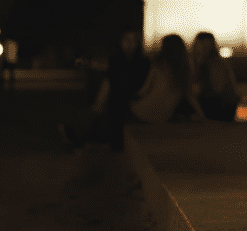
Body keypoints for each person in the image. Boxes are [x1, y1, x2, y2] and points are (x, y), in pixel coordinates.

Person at [60, 33, 203, 151]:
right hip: (161, 117)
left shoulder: (158, 65)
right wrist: (203, 117)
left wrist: (129, 97)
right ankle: (84, 137)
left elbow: (144, 91)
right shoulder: (186, 69)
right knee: (114, 117)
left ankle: (76, 135)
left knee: (113, 114)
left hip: (142, 112)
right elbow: (190, 96)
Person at [191, 32, 240, 121]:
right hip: (215, 102)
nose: (203, 48)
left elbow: (217, 89)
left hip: (222, 106)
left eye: (206, 45)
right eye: (201, 44)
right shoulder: (195, 62)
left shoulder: (216, 63)